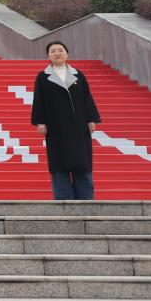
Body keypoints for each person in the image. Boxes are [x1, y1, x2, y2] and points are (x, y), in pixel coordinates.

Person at [31, 40, 101, 200]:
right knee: (59, 164)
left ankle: (85, 198)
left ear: (67, 53)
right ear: (48, 56)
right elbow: (39, 100)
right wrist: (40, 121)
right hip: (56, 128)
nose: (57, 53)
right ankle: (63, 199)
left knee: (82, 162)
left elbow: (87, 97)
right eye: (53, 51)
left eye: (60, 50)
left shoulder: (78, 75)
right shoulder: (43, 77)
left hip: (79, 126)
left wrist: (91, 118)